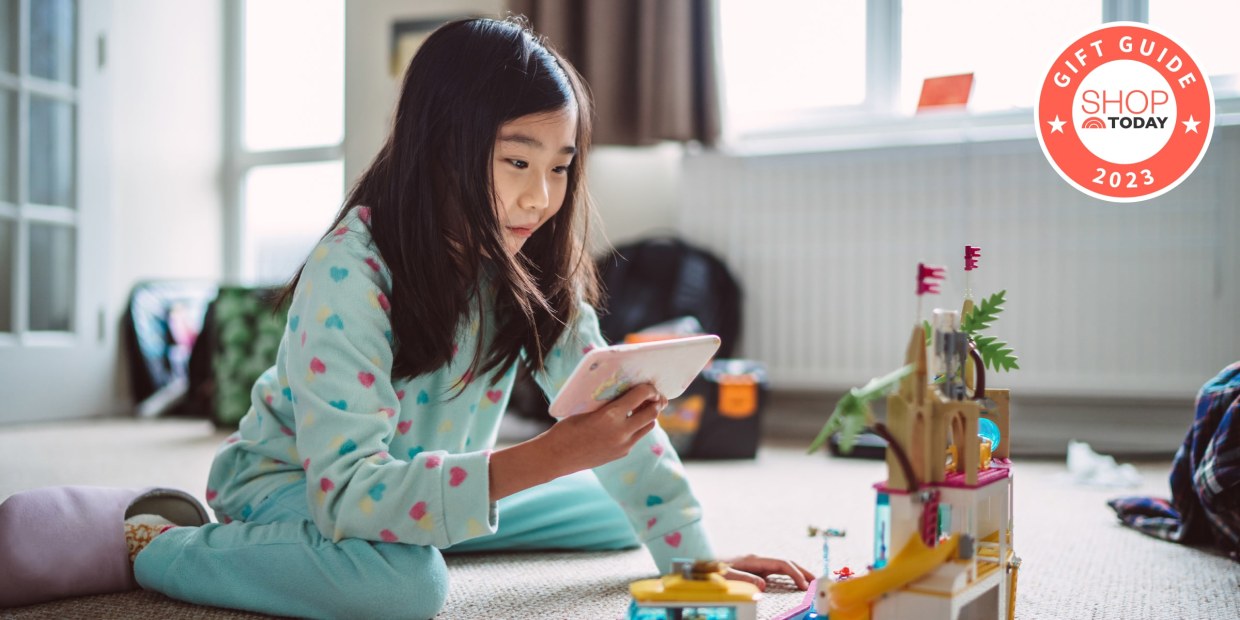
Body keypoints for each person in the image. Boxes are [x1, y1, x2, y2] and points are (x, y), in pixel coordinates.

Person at [132, 17, 812, 618]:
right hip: (298, 485)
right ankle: (168, 547)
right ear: (440, 148)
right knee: (404, 587)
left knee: (616, 505)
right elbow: (346, 494)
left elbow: (620, 419)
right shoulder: (352, 270)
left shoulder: (531, 270)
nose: (541, 197)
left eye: (561, 167)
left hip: (414, 475)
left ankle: (428, 517)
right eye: (518, 161)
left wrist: (695, 565)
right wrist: (546, 455)